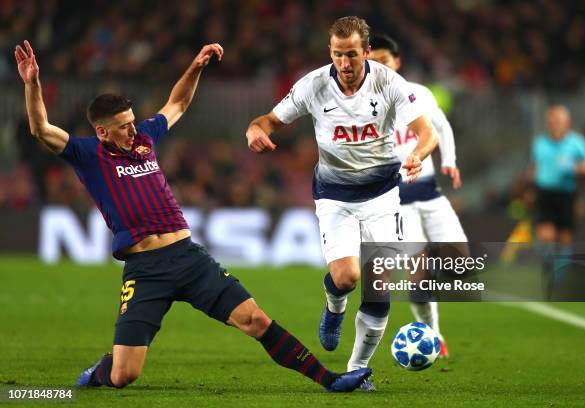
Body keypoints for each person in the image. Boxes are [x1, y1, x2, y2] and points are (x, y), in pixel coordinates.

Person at [15, 39, 371, 392]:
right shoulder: (87, 153)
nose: (133, 130)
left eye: (133, 121)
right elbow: (41, 129)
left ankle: (330, 380)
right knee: (125, 375)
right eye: (123, 126)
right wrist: (33, 84)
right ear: (102, 131)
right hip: (145, 270)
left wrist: (196, 66)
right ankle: (100, 372)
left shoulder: (145, 139)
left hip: (188, 257)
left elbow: (178, 103)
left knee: (255, 319)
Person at [245, 17, 438, 391]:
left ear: (366, 52)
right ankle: (334, 306)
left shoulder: (388, 82)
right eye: (337, 55)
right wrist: (256, 130)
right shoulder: (314, 85)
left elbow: (425, 132)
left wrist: (418, 153)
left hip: (383, 195)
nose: (345, 64)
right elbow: (268, 119)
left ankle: (357, 368)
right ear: (330, 53)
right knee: (347, 278)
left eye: (352, 54)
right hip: (335, 197)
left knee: (379, 283)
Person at [369, 34, 469, 359]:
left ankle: (422, 285)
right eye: (373, 62)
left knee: (461, 263)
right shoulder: (363, 104)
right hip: (397, 200)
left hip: (430, 193)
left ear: (396, 63)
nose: (379, 67)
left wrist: (450, 162)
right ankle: (434, 336)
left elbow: (441, 127)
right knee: (419, 272)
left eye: (384, 61)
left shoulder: (420, 94)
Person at [530, 105, 585, 244]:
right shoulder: (540, 143)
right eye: (551, 122)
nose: (554, 125)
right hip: (545, 193)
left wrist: (573, 166)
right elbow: (534, 167)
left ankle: (562, 264)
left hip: (566, 193)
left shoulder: (577, 143)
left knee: (564, 236)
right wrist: (530, 189)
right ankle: (549, 263)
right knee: (546, 235)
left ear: (567, 123)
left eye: (558, 121)